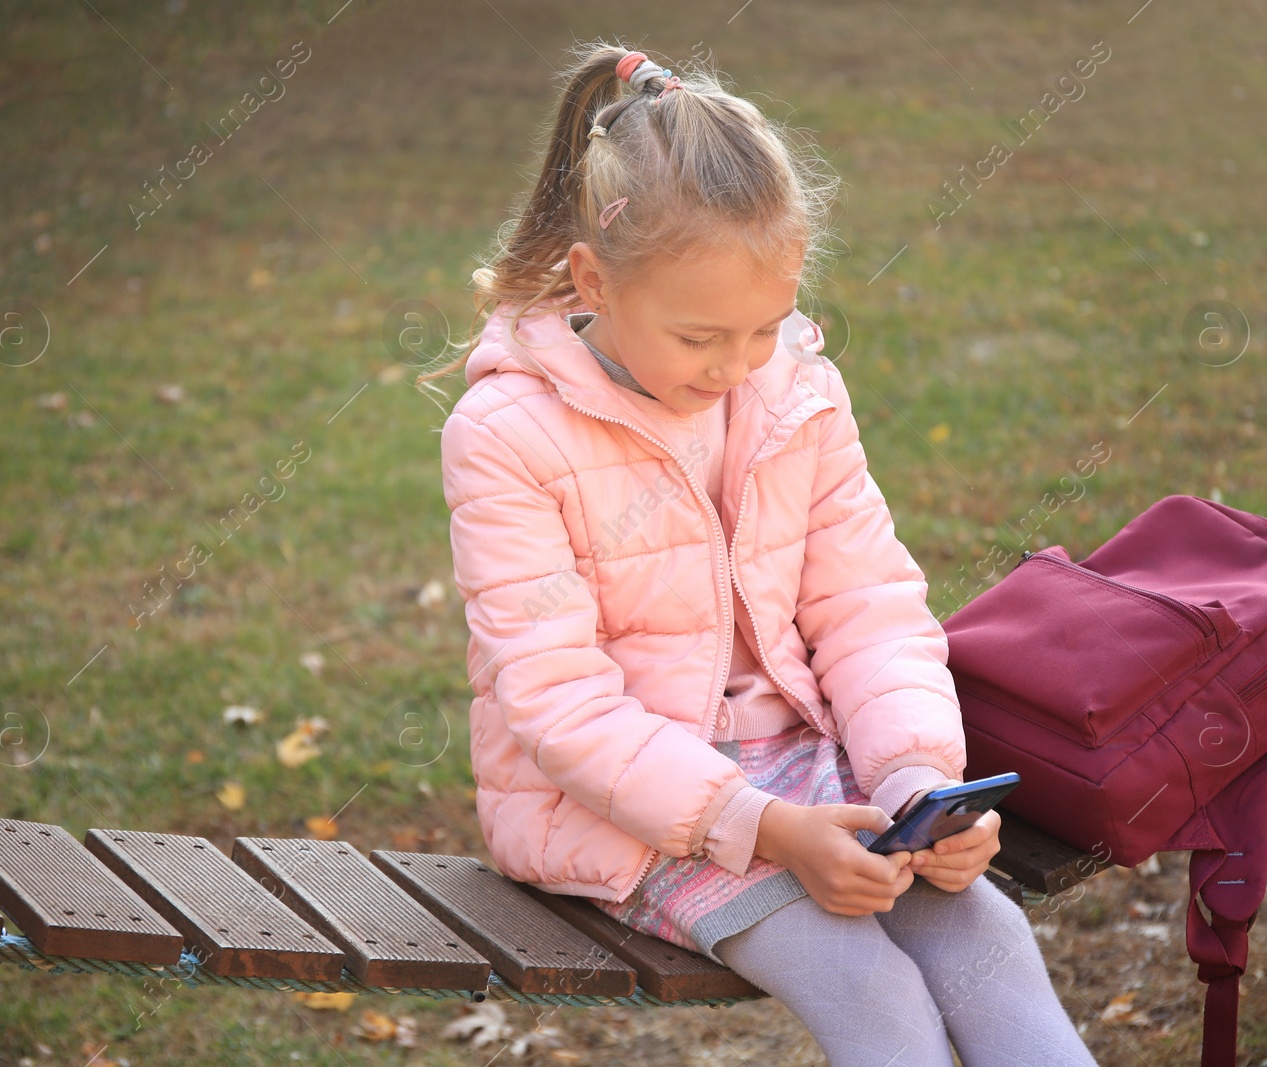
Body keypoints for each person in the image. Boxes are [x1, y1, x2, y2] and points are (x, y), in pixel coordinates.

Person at [418, 40, 1098, 1067]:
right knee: (871, 987)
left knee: (986, 936)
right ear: (592, 278)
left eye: (764, 327)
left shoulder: (795, 390)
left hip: (801, 760)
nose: (737, 368)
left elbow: (866, 604)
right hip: (621, 806)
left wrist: (917, 781)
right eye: (700, 338)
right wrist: (766, 829)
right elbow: (559, 706)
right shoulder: (507, 434)